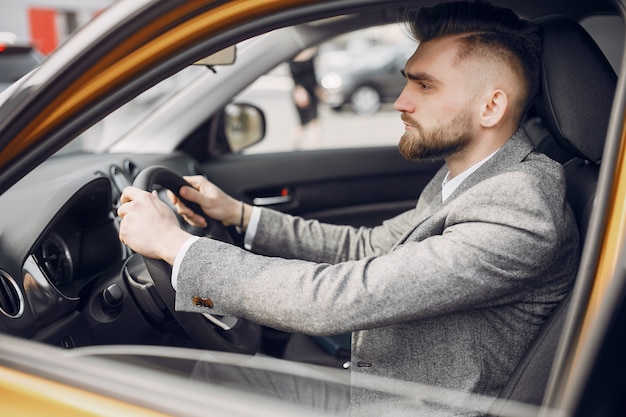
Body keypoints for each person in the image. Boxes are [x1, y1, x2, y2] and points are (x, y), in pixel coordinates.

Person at [118, 0, 580, 414]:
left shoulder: (520, 206)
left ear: (491, 107)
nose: (401, 101)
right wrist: (238, 214)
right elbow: (369, 245)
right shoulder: (470, 176)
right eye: (406, 81)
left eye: (425, 85)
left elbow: (337, 300)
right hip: (378, 386)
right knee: (202, 377)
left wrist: (173, 245)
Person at [289, 46, 322, 149]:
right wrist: (298, 91)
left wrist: (318, 88)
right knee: (302, 123)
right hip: (300, 91)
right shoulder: (291, 54)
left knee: (314, 121)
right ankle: (295, 148)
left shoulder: (311, 50)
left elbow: (313, 73)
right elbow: (294, 76)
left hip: (312, 89)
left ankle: (315, 148)